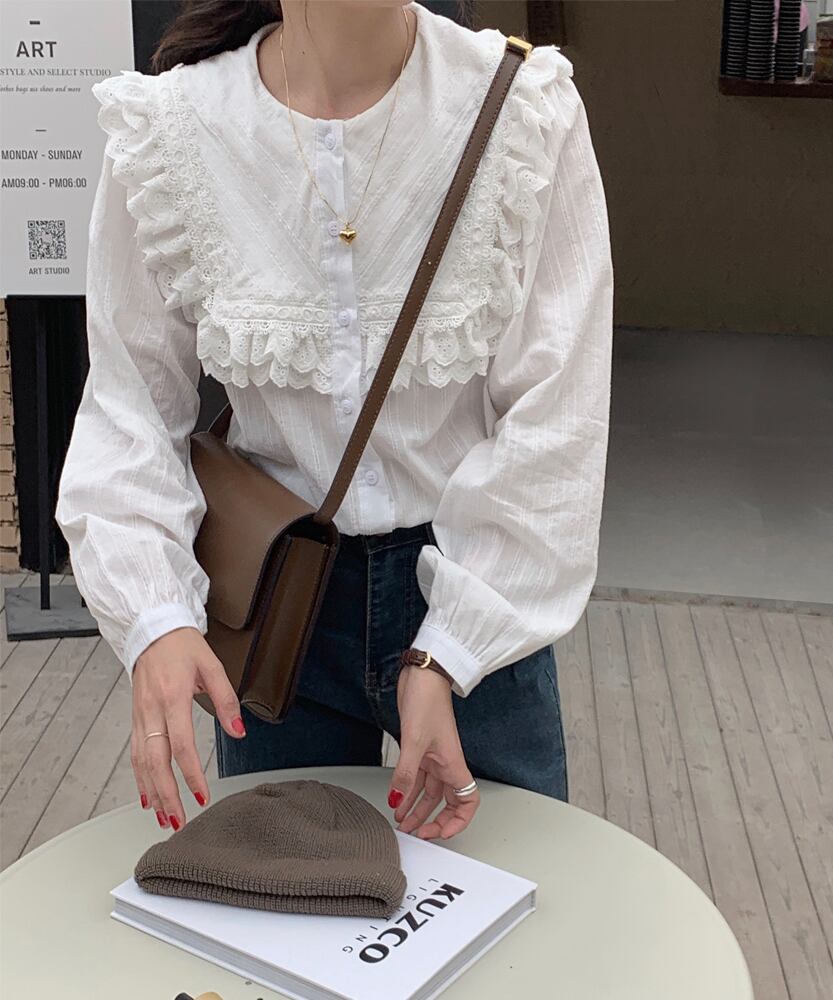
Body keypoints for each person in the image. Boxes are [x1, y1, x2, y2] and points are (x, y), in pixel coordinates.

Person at [55, 0, 613, 843]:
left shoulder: (522, 109)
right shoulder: (171, 129)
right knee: (293, 906)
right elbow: (127, 408)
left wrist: (450, 649)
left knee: (517, 898)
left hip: (474, 593)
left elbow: (558, 415)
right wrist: (154, 618)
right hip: (278, 606)